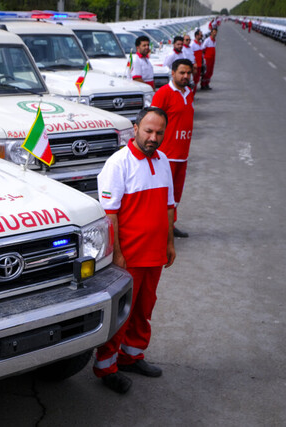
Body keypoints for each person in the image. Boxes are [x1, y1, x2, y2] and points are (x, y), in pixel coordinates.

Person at [94, 107, 176, 394]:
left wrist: (169, 244)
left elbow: (169, 206)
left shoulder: (163, 160)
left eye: (159, 133)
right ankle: (107, 368)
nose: (153, 138)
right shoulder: (118, 164)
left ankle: (132, 356)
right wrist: (116, 254)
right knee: (121, 315)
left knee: (144, 310)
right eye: (148, 131)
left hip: (154, 256)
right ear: (136, 128)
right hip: (128, 257)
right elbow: (110, 216)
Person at [152, 59, 195, 238]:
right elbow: (152, 121)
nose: (185, 76)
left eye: (188, 73)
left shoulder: (189, 93)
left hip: (182, 155)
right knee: (162, 196)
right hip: (166, 156)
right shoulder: (163, 94)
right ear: (173, 73)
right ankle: (158, 230)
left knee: (175, 195)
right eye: (182, 73)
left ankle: (171, 225)